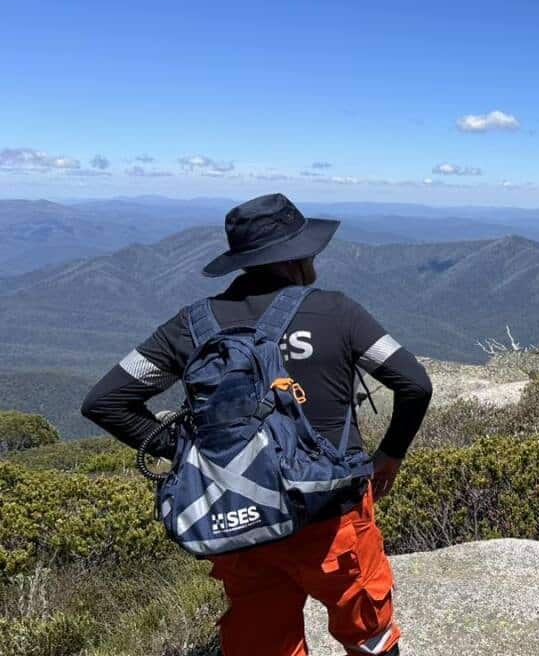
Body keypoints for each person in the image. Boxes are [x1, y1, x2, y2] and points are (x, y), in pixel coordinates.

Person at [81, 193, 431, 656]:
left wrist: (192, 453)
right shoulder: (337, 312)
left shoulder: (189, 326)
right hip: (331, 516)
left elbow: (106, 401)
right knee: (368, 629)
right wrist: (391, 455)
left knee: (262, 638)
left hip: (242, 515)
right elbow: (413, 383)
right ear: (294, 258)